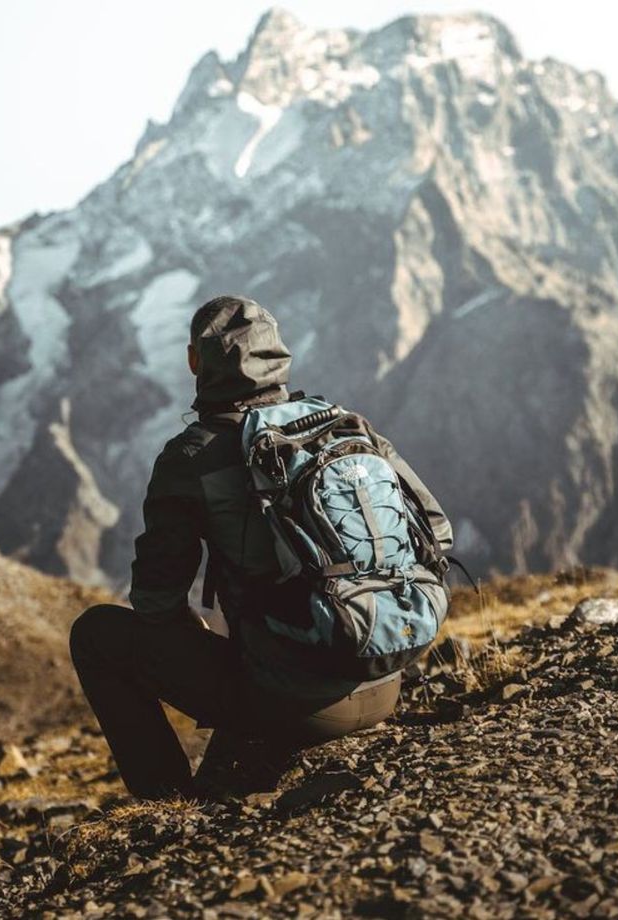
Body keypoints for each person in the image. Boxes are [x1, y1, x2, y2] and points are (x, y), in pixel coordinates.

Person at [70, 295, 453, 800]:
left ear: (193, 361)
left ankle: (166, 804)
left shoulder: (192, 456)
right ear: (278, 354)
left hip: (298, 706)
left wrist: (198, 627)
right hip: (384, 676)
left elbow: (155, 602)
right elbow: (437, 533)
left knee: (96, 634)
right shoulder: (343, 424)